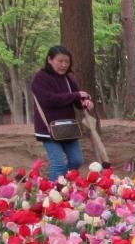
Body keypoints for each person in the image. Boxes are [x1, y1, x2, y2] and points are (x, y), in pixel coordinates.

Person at [30, 45, 93, 181]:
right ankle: (54, 190)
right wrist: (76, 95)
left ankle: (63, 183)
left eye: (67, 62)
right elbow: (48, 100)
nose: (64, 65)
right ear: (50, 60)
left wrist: (85, 102)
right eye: (60, 61)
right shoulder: (40, 78)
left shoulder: (68, 78)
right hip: (48, 128)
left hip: (68, 128)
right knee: (58, 163)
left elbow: (77, 101)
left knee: (77, 160)